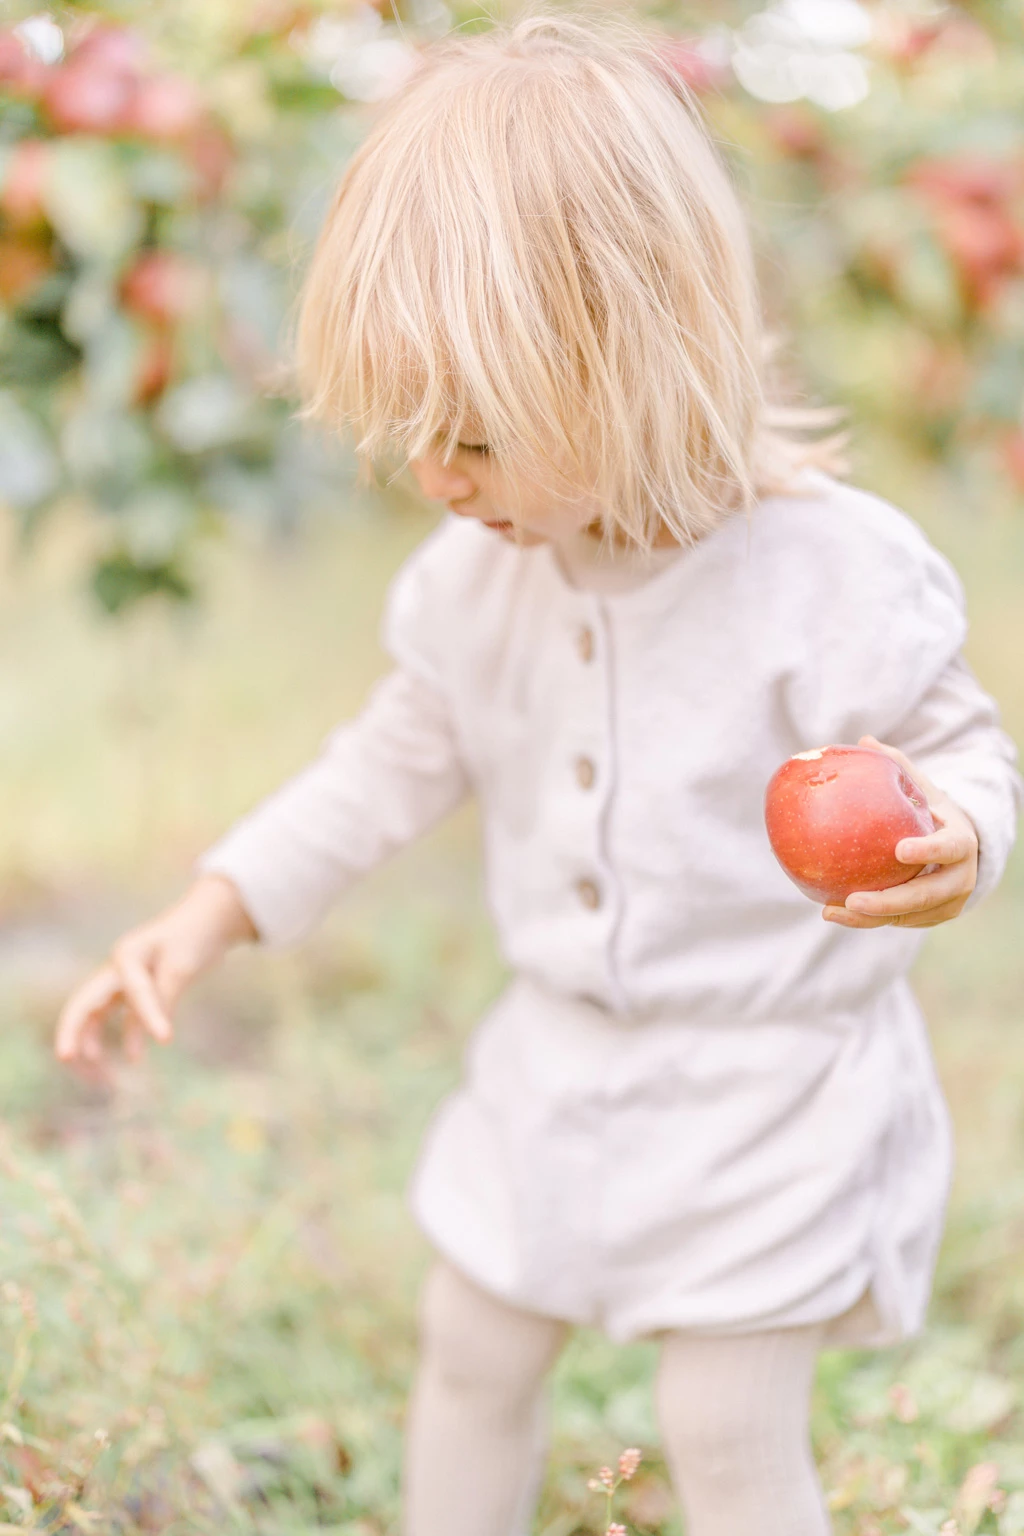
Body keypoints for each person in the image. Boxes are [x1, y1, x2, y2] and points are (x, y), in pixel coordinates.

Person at [55, 9, 1022, 1534]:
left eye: (479, 435)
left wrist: (960, 830)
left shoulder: (824, 577)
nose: (439, 480)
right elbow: (382, 765)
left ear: (638, 357)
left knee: (723, 1419)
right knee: (472, 1343)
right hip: (561, 1070)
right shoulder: (474, 580)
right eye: (412, 436)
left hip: (771, 1084)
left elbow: (958, 743)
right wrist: (215, 906)